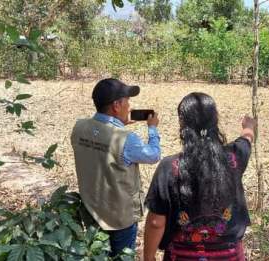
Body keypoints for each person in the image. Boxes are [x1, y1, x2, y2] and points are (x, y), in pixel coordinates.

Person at [143, 92, 256, 261]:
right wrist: (249, 126)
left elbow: (155, 223)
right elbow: (246, 139)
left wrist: (148, 257)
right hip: (229, 256)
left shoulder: (169, 167)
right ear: (215, 119)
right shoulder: (235, 157)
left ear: (182, 123)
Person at [70, 78, 161, 258]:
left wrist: (116, 125)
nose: (129, 106)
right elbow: (153, 155)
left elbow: (98, 143)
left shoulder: (79, 127)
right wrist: (152, 129)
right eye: (127, 101)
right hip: (121, 218)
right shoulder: (126, 139)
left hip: (91, 211)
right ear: (116, 106)